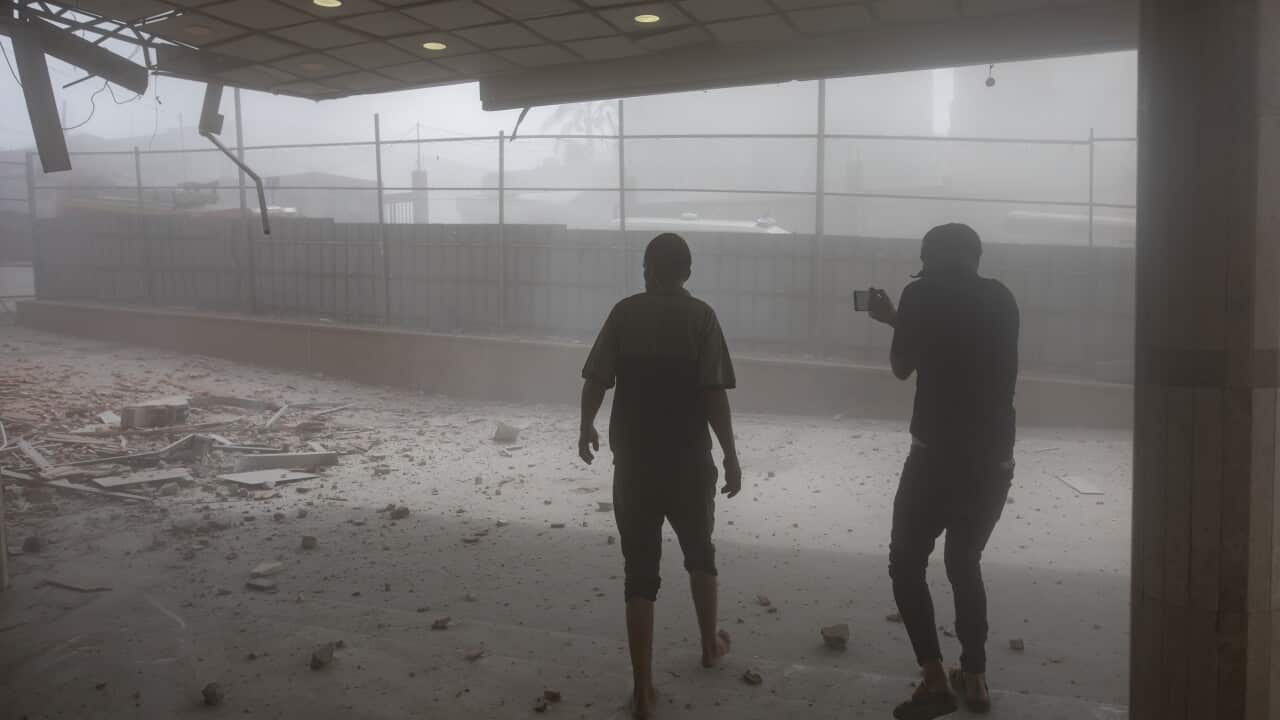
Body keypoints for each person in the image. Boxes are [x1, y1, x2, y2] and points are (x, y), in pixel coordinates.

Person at [578, 232, 743, 719]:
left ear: (647, 268)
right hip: (690, 461)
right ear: (687, 273)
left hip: (634, 463)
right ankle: (710, 646)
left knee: (640, 574)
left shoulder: (624, 313)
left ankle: (644, 690)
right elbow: (715, 393)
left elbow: (596, 379)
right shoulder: (702, 318)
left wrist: (585, 425)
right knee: (701, 553)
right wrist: (731, 453)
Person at [867, 223, 1020, 720]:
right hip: (993, 457)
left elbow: (903, 366)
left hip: (935, 456)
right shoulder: (1002, 299)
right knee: (963, 562)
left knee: (906, 562)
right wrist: (905, 320)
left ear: (928, 260)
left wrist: (896, 320)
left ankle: (934, 679)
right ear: (976, 258)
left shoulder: (920, 295)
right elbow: (964, 347)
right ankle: (974, 679)